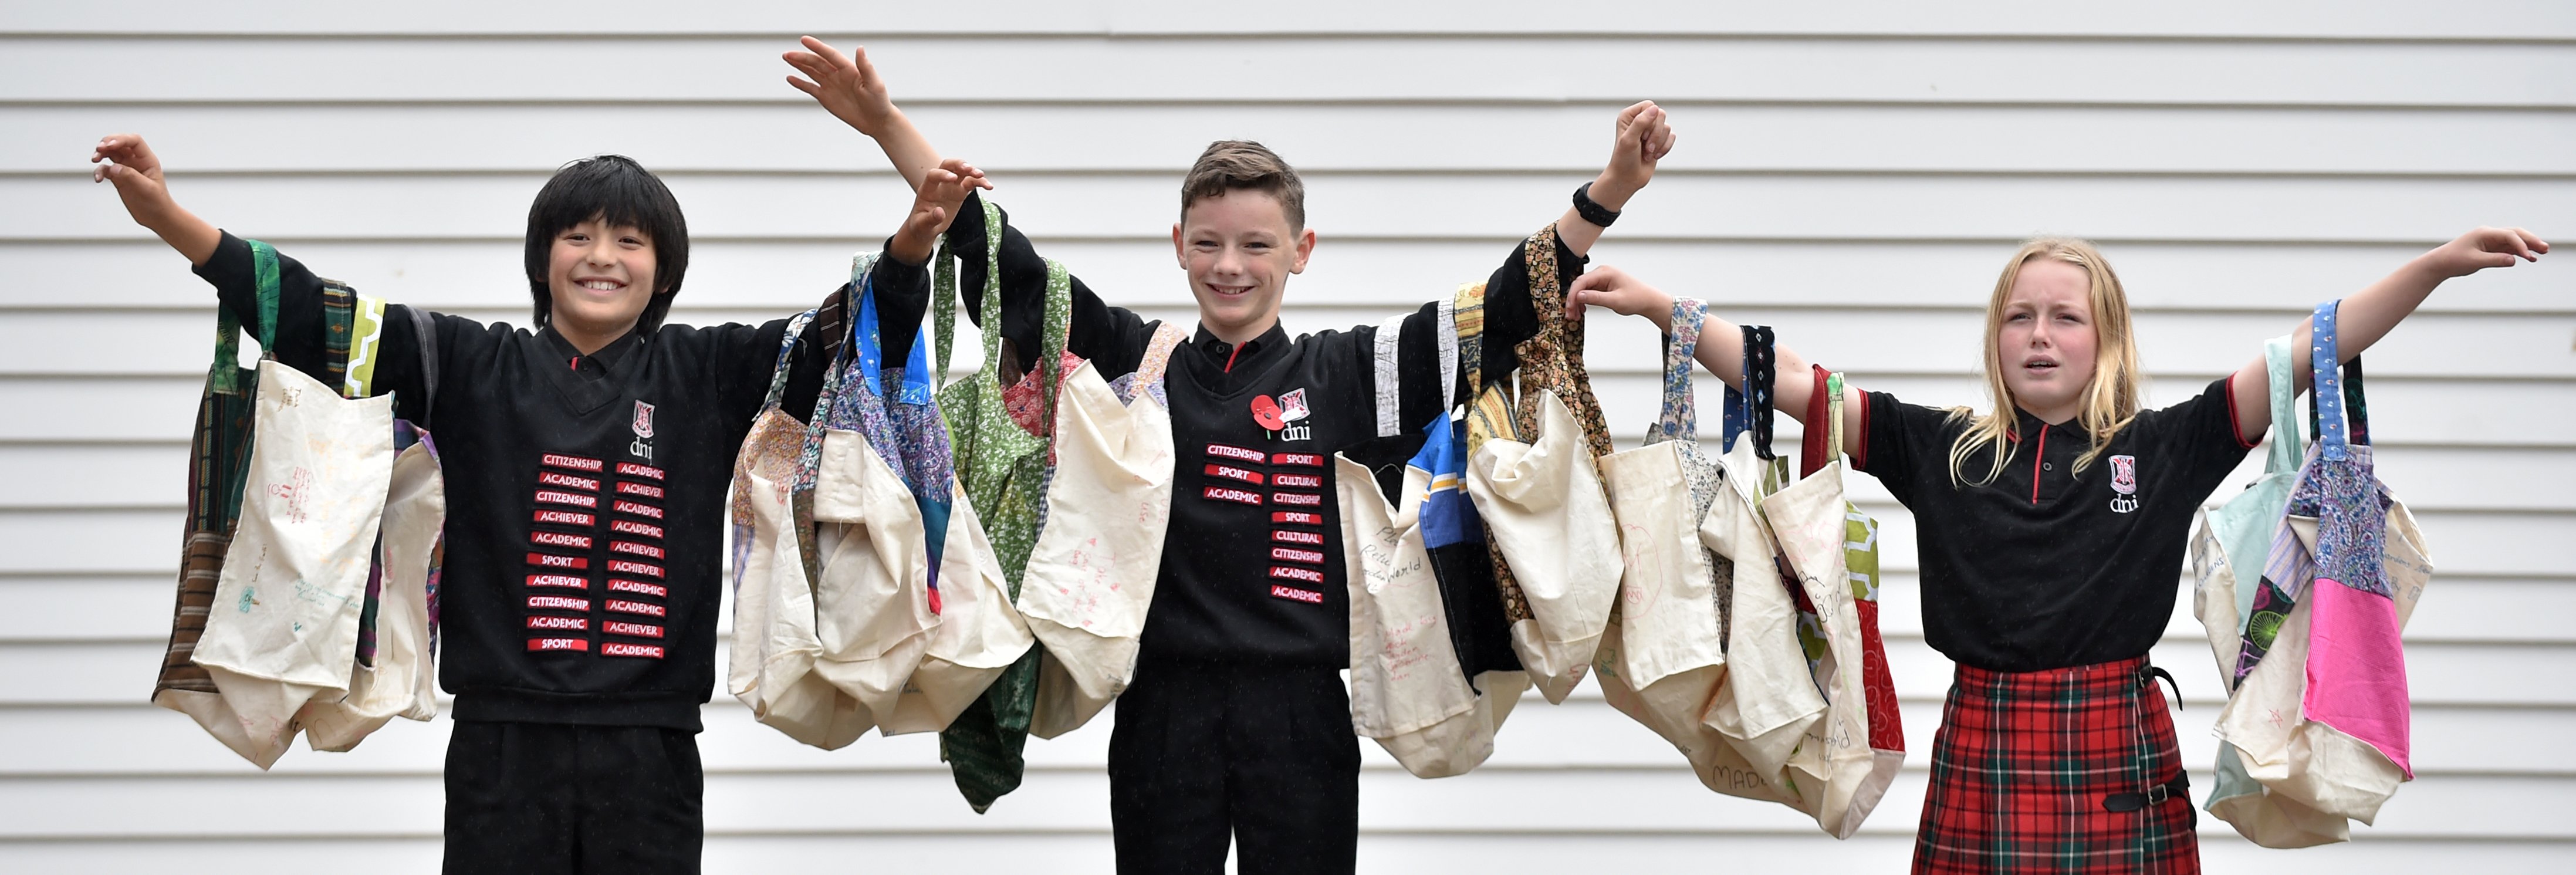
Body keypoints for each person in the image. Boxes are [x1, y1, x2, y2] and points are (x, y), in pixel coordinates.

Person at [778, 36, 1672, 873]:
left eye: (1255, 245)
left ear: (1300, 252)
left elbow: (1499, 313)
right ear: (1179, 249)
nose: (1229, 266)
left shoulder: (1348, 373)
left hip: (1301, 714)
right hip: (1162, 710)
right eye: (1207, 244)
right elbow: (1012, 271)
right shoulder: (1138, 363)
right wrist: (890, 128)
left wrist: (1608, 192)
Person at [91, 132, 983, 873]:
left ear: (662, 267)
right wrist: (174, 222)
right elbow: (321, 319)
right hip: (500, 741)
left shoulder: (708, 371)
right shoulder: (468, 365)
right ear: (541, 258)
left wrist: (907, 255)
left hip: (652, 745)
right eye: (579, 237)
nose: (603, 258)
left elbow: (839, 342)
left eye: (630, 241)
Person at [1562, 228, 2547, 873]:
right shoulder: (1941, 446)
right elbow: (1804, 390)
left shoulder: (2163, 447)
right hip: (1983, 748)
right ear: (1995, 339)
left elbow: (2304, 354)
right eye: (2018, 317)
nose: (2039, 335)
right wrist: (1664, 313)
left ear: (2103, 338)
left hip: (2118, 757)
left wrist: (2431, 268)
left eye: (2064, 317)